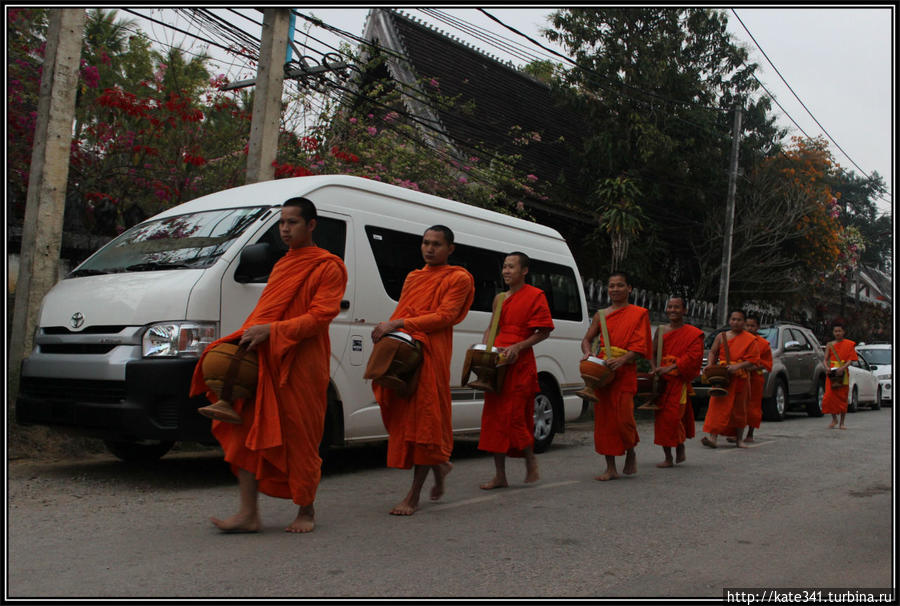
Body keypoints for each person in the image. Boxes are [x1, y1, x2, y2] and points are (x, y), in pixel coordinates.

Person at [190, 197, 348, 533]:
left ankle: (306, 510)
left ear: (311, 225)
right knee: (245, 430)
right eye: (282, 223)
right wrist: (247, 338)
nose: (285, 229)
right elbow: (266, 312)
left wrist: (272, 331)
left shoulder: (329, 266)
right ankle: (249, 513)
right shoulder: (282, 264)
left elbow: (320, 317)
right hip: (267, 355)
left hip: (303, 363)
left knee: (301, 436)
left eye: (292, 222)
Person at [371, 225, 475, 515]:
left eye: (437, 244)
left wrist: (398, 325)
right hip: (407, 350)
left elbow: (445, 316)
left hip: (431, 353)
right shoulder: (414, 277)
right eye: (426, 243)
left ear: (450, 249)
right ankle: (439, 464)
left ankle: (413, 496)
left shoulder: (458, 278)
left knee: (425, 423)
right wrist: (385, 333)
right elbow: (403, 311)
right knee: (402, 411)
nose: (430, 249)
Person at [477, 252, 554, 489]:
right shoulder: (500, 299)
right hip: (498, 363)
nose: (506, 271)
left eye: (512, 267)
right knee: (494, 420)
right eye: (505, 267)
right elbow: (492, 327)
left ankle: (530, 460)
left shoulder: (535, 296)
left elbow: (544, 331)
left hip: (520, 364)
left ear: (524, 271)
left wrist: (518, 347)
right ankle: (500, 475)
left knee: (515, 417)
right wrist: (484, 354)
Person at [580, 270, 652, 481]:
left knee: (624, 419)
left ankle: (630, 451)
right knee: (604, 421)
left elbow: (641, 346)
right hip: (603, 372)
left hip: (625, 371)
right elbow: (587, 340)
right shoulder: (601, 315)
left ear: (629, 288)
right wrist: (588, 353)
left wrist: (622, 360)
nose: (615, 289)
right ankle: (610, 467)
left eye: (620, 285)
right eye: (611, 286)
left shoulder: (639, 313)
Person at [651, 296, 704, 468]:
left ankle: (679, 445)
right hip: (662, 382)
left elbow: (693, 358)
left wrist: (670, 368)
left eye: (677, 307)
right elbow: (652, 352)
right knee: (662, 419)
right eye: (670, 307)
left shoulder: (693, 333)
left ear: (684, 310)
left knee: (674, 417)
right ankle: (668, 456)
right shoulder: (661, 330)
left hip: (678, 381)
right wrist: (654, 369)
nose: (673, 310)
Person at [701, 310, 761, 449]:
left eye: (739, 320)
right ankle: (712, 437)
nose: (736, 322)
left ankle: (739, 439)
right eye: (733, 319)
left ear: (744, 322)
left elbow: (754, 361)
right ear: (729, 321)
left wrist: (738, 366)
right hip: (722, 377)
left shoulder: (750, 340)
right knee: (716, 406)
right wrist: (710, 364)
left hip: (740, 378)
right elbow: (713, 352)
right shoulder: (722, 336)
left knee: (739, 409)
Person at [742, 314, 773, 443]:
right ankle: (735, 433)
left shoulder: (763, 344)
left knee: (753, 406)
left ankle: (750, 433)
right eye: (747, 325)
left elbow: (766, 363)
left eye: (752, 326)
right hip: (740, 377)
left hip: (755, 378)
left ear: (758, 327)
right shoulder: (738, 340)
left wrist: (751, 368)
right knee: (738, 405)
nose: (749, 328)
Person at [822, 320, 857, 430]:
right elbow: (825, 359)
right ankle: (834, 419)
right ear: (833, 332)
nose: (838, 333)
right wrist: (827, 368)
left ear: (844, 332)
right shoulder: (829, 345)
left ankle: (842, 422)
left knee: (842, 397)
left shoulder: (849, 344)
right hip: (832, 372)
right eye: (835, 331)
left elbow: (851, 359)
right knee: (829, 396)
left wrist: (843, 368)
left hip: (843, 372)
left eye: (839, 331)